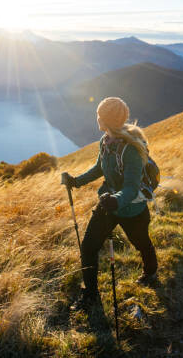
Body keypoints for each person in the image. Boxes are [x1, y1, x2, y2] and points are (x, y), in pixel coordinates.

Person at [61, 96, 159, 309]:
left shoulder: (130, 149)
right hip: (109, 204)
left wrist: (116, 200)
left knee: (141, 243)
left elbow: (132, 187)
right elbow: (99, 168)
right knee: (88, 247)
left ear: (105, 120)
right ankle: (90, 296)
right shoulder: (105, 141)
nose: (97, 118)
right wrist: (76, 181)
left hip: (131, 208)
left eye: (99, 115)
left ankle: (150, 272)